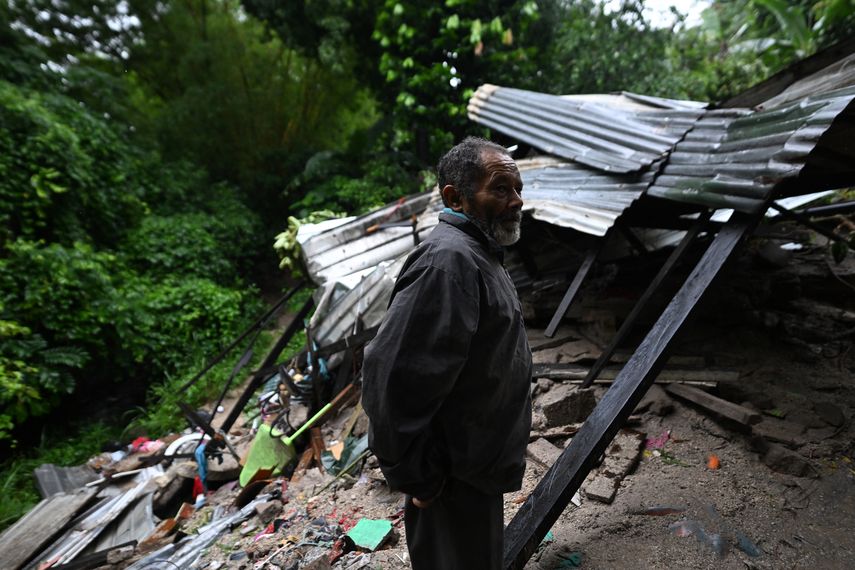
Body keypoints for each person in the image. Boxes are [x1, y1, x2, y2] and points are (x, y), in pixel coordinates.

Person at [361, 136, 533, 569]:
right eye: (500, 188)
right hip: (450, 484)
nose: (515, 201)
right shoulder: (447, 262)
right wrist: (420, 478)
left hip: (474, 475)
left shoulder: (478, 255)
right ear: (455, 197)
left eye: (518, 189)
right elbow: (391, 381)